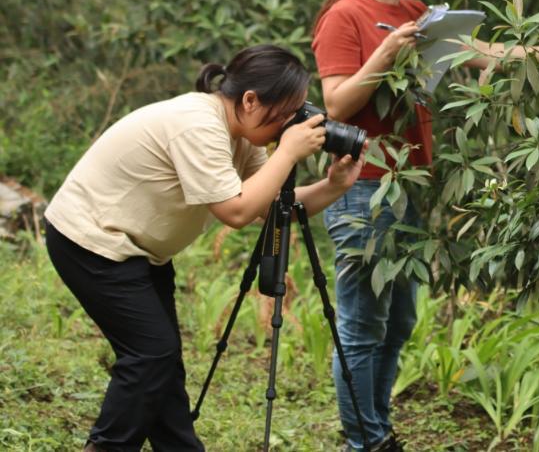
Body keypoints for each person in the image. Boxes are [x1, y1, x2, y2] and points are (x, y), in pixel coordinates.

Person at [312, 0, 539, 452]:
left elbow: (488, 53)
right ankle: (366, 442)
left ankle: (377, 432)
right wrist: (386, 55)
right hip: (363, 188)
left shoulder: (417, 12)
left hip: (411, 188)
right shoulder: (344, 17)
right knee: (360, 327)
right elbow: (335, 105)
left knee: (397, 323)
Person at [44, 44, 367, 452]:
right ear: (250, 100)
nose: (292, 124)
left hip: (137, 250)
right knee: (151, 355)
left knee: (163, 365)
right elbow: (235, 210)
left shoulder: (241, 134)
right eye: (286, 114)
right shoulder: (198, 125)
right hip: (91, 241)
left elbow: (266, 207)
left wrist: (333, 185)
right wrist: (286, 152)